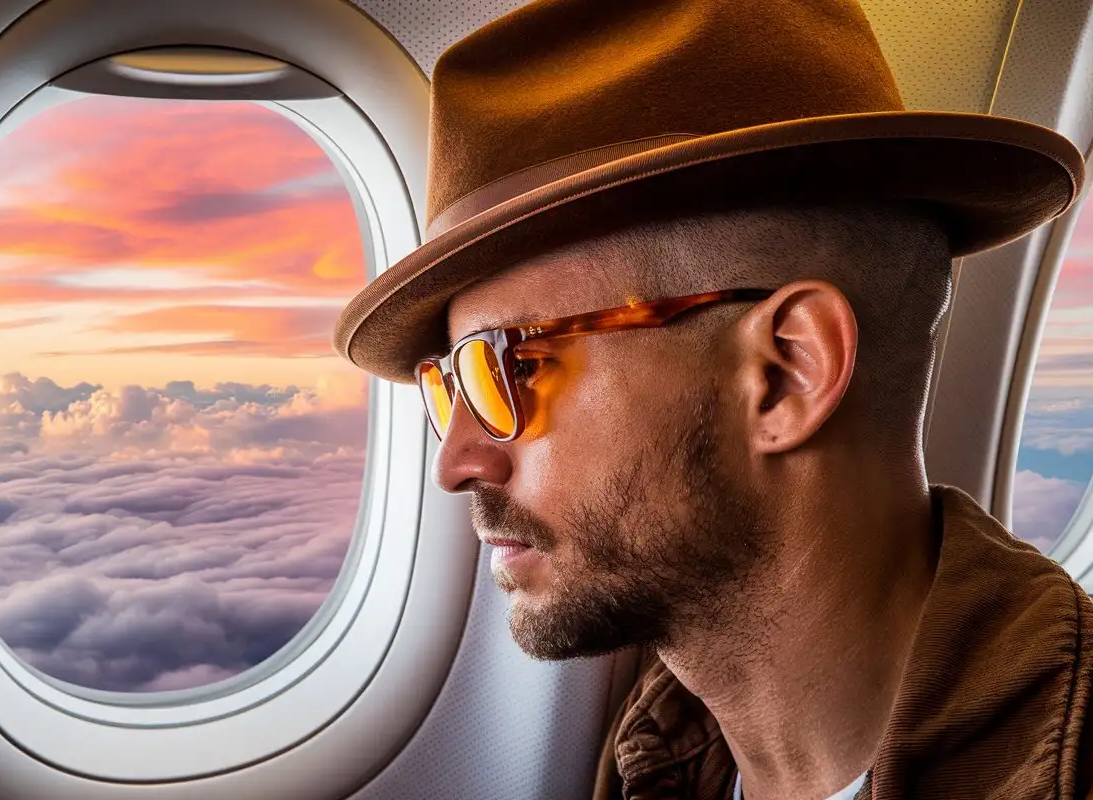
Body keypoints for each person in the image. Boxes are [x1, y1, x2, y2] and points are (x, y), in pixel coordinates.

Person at [333, 0, 1092, 797]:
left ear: (785, 373)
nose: (456, 461)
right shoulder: (655, 758)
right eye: (448, 385)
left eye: (505, 369)